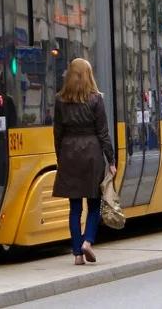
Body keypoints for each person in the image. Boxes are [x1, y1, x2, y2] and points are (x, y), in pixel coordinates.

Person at [52, 57, 116, 265]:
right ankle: (88, 241)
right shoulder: (95, 99)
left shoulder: (60, 100)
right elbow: (103, 132)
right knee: (94, 203)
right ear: (89, 76)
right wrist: (111, 160)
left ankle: (77, 254)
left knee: (75, 207)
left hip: (69, 154)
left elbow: (57, 133)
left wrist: (60, 157)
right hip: (92, 154)